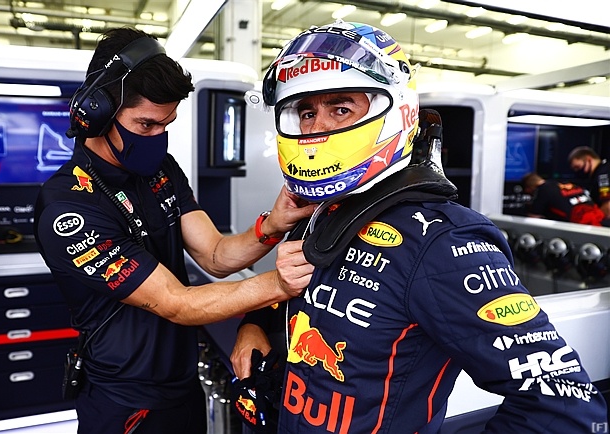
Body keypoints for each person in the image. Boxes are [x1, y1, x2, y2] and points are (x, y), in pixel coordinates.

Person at [230, 20, 608, 433]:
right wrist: (254, 324)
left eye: (340, 109)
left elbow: (564, 405)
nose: (317, 128)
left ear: (396, 112)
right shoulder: (319, 212)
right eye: (306, 113)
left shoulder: (444, 241)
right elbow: (292, 295)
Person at [33, 27, 317, 434]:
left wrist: (273, 224)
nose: (157, 138)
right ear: (98, 113)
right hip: (124, 402)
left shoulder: (160, 172)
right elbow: (176, 303)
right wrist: (281, 284)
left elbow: (215, 255)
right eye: (146, 125)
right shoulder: (68, 206)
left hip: (183, 386)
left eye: (166, 125)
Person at [521, 171, 609, 226]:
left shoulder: (543, 189)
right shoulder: (563, 183)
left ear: (528, 189)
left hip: (585, 227)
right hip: (602, 221)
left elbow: (533, 218)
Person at [568, 146, 610, 218]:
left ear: (588, 159)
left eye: (578, 167)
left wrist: (593, 218)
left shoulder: (603, 175)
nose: (578, 172)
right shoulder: (600, 172)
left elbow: (608, 206)